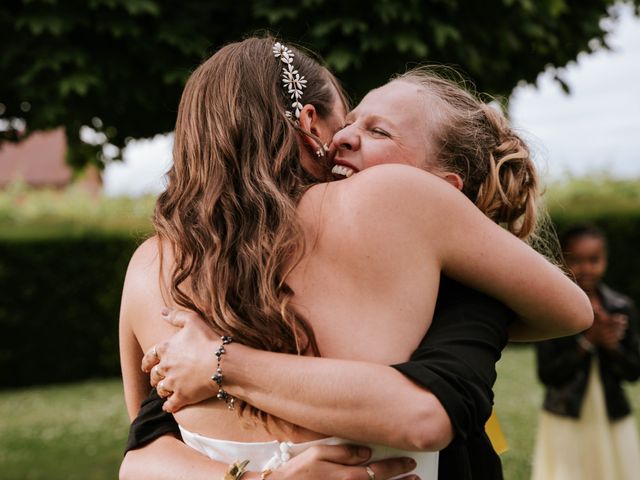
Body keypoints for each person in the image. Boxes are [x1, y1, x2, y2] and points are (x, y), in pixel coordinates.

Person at [119, 37, 592, 480]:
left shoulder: (150, 267)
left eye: (375, 129)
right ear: (307, 123)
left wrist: (222, 367)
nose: (345, 138)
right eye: (345, 121)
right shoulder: (388, 204)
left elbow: (142, 452)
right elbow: (571, 309)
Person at [531, 224, 640, 480]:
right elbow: (548, 374)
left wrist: (611, 344)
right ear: (562, 260)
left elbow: (633, 372)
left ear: (605, 260)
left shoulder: (621, 307)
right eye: (576, 260)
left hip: (610, 412)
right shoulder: (551, 306)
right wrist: (588, 340)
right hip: (566, 413)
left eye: (594, 260)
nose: (586, 268)